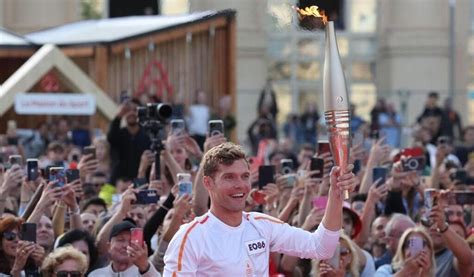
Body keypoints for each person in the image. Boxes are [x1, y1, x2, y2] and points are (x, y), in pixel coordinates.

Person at [163, 142, 358, 276]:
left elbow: (322, 247)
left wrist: (335, 193)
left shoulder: (261, 225)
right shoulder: (190, 237)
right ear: (208, 183)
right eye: (229, 177)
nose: (240, 185)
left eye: (245, 176)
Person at [88, 220, 160, 276]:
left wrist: (145, 267)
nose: (126, 245)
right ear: (109, 246)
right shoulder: (95, 275)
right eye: (120, 240)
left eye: (131, 241)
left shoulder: (147, 272)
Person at [107, 98, 150, 184]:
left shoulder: (147, 135)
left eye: (135, 110)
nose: (131, 113)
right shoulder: (118, 134)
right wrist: (119, 115)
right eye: (128, 110)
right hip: (119, 183)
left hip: (143, 181)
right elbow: (110, 137)